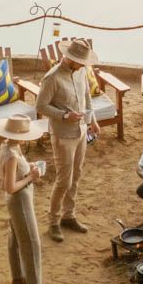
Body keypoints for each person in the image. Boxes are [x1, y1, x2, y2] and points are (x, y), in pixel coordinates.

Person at [35, 37, 100, 242]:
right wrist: (64, 116)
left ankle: (68, 216)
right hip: (63, 134)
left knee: (77, 174)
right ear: (70, 59)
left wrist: (92, 120)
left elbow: (86, 97)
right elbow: (40, 106)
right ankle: (53, 222)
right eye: (81, 62)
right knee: (64, 179)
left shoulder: (81, 71)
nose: (84, 65)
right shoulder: (52, 78)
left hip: (80, 131)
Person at [0, 114, 49, 284]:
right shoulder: (12, 155)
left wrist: (28, 167)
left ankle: (18, 276)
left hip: (16, 201)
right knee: (32, 243)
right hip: (20, 200)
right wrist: (30, 177)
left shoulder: (7, 146)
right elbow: (10, 187)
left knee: (16, 237)